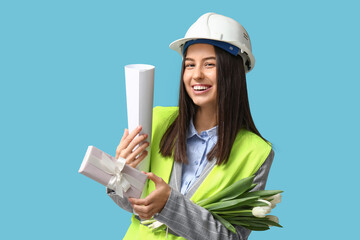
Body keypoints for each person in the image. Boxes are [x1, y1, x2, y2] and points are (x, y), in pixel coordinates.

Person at [107, 12, 274, 240]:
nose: (196, 75)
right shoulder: (156, 120)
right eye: (189, 65)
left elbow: (232, 237)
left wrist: (169, 205)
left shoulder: (256, 153)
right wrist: (120, 174)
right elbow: (130, 204)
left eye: (209, 64)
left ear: (233, 71)